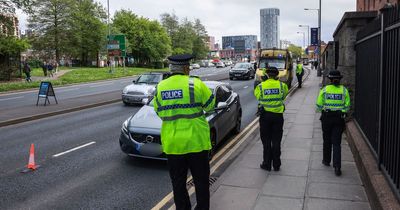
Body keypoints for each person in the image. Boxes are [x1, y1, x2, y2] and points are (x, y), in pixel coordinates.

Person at [154, 54, 215, 210]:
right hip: (197, 142)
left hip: (173, 144)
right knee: (201, 181)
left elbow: (159, 111)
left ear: (171, 68)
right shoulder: (196, 84)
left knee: (178, 183)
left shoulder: (160, 87)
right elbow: (210, 106)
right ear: (186, 68)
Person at [316, 70, 350, 176]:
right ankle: (337, 167)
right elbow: (347, 107)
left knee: (326, 140)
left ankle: (326, 160)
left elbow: (318, 105)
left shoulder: (325, 90)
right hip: (338, 119)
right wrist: (342, 112)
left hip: (327, 118)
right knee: (336, 143)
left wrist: (323, 109)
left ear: (330, 79)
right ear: (340, 79)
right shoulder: (344, 91)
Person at [254, 66, 288, 171]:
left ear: (267, 75)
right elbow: (283, 96)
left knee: (266, 141)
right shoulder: (283, 86)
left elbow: (258, 97)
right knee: (277, 141)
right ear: (277, 75)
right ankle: (276, 164)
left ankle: (267, 164)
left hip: (265, 117)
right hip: (278, 117)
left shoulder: (260, 86)